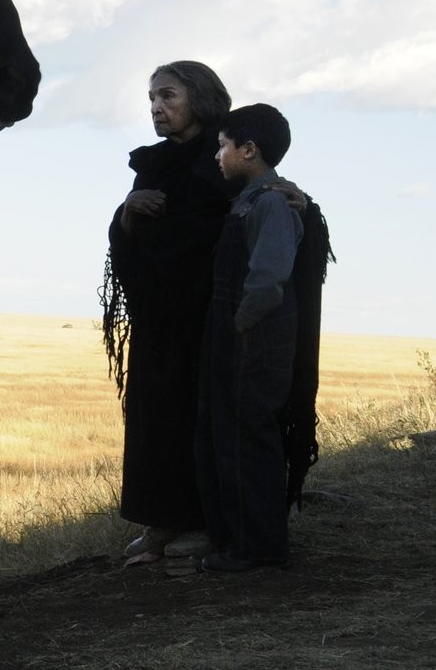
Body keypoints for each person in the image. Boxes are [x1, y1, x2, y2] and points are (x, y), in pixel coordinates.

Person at [100, 61, 237, 562]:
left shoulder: (224, 158)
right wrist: (128, 212)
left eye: (168, 96)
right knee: (153, 417)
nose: (157, 107)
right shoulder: (153, 165)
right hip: (159, 316)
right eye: (152, 99)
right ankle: (159, 521)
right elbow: (128, 239)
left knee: (196, 416)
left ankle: (200, 521)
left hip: (206, 316)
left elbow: (232, 224)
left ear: (198, 98)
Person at [196, 104, 325, 574]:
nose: (217, 156)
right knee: (237, 438)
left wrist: (241, 325)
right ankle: (245, 543)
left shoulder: (271, 202)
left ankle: (259, 549)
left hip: (256, 342)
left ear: (249, 150)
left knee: (251, 441)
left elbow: (268, 278)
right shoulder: (254, 198)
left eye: (223, 146)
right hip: (245, 339)